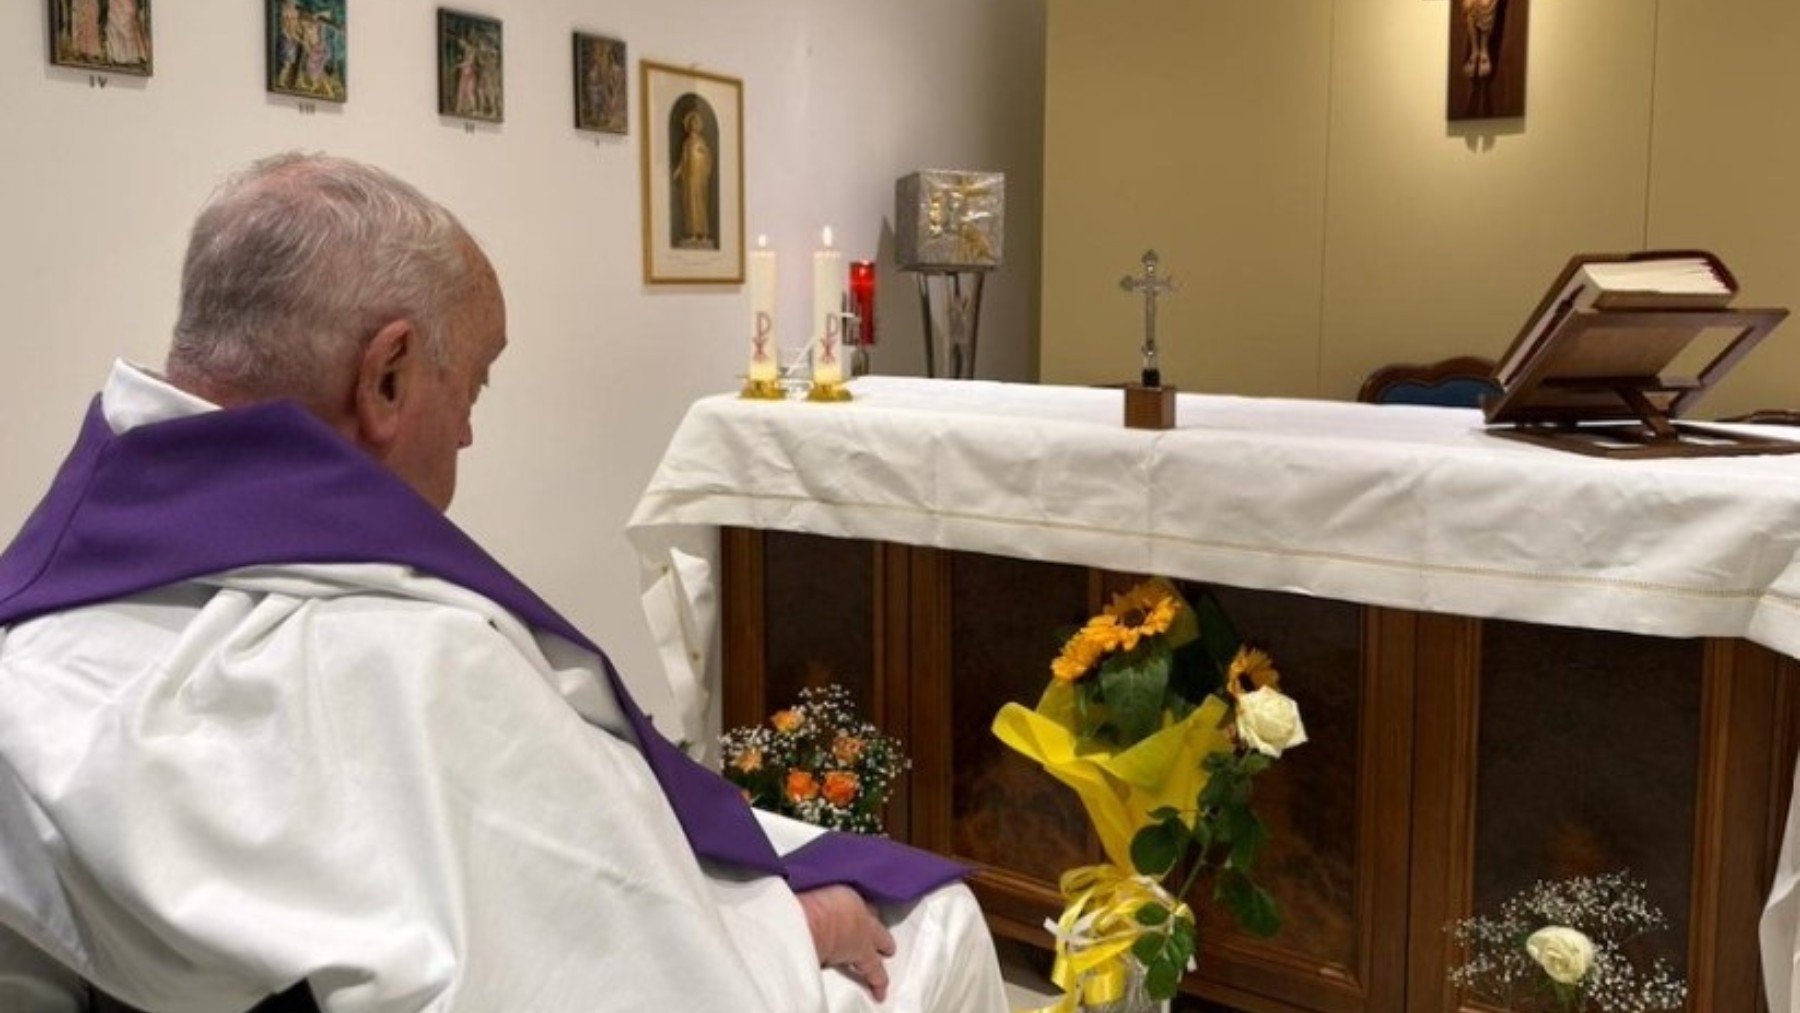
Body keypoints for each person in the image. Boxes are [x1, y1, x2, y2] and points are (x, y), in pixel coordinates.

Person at [0, 153, 1007, 1012]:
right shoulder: (408, 657)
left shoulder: (44, 609)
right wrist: (787, 927)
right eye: (470, 384)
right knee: (939, 924)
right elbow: (603, 962)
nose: (472, 429)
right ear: (387, 377)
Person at [673, 108, 715, 247]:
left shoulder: (701, 142)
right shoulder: (686, 144)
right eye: (691, 123)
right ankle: (692, 233)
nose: (693, 125)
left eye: (696, 123)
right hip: (689, 178)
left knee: (700, 203)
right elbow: (683, 161)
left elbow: (708, 158)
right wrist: (678, 171)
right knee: (690, 204)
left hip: (699, 177)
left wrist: (704, 155)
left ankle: (702, 233)